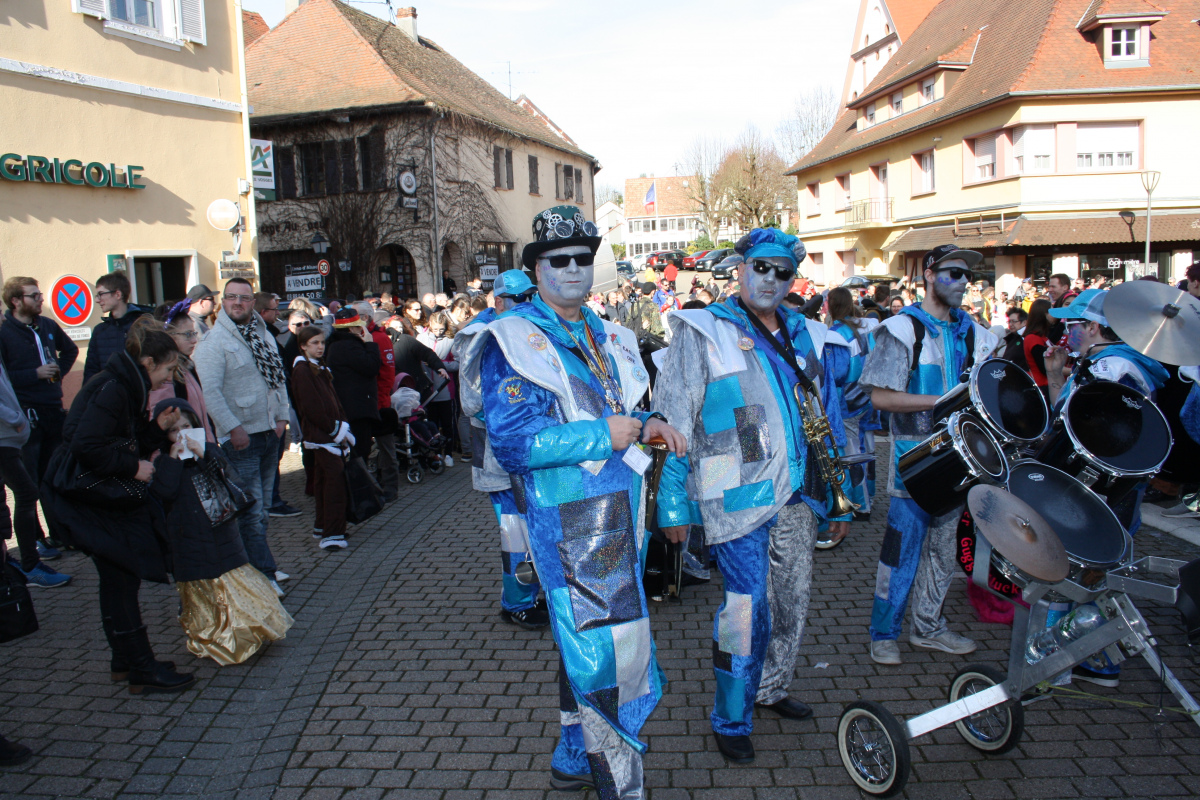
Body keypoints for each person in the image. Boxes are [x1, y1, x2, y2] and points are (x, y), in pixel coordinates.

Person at [466, 206, 685, 796]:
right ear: (536, 270)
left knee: (586, 646)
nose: (571, 269)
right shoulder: (512, 340)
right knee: (608, 658)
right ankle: (621, 786)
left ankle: (572, 756)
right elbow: (515, 445)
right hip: (572, 527)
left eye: (582, 259)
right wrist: (600, 435)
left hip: (623, 517)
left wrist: (647, 422)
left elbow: (620, 407)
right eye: (557, 260)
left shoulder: (607, 332)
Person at [654, 227, 836, 763]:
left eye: (783, 271)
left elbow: (824, 414)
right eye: (761, 267)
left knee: (792, 602)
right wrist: (672, 503)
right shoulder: (702, 329)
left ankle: (771, 687)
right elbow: (672, 419)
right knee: (744, 608)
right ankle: (731, 715)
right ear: (739, 269)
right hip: (732, 492)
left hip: (798, 492)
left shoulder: (804, 333)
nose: (771, 279)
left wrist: (839, 490)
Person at [860, 244, 998, 666]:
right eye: (953, 272)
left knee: (943, 553)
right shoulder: (902, 329)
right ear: (929, 275)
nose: (962, 281)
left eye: (966, 275)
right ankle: (884, 633)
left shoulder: (977, 335)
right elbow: (880, 398)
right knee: (900, 552)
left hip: (961, 464)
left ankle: (928, 627)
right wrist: (942, 401)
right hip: (914, 464)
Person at [50, 322, 196, 693]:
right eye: (167, 369)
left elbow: (120, 440)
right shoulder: (115, 387)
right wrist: (133, 468)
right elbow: (87, 445)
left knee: (118, 579)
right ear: (148, 362)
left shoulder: (123, 383)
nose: (168, 378)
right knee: (121, 579)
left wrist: (155, 430)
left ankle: (126, 661)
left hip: (97, 497)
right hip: (92, 499)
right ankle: (141, 669)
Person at [152, 398, 294, 662]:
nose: (181, 434)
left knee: (234, 580)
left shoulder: (210, 451)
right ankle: (213, 637)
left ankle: (249, 629)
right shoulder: (163, 462)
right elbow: (164, 492)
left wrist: (203, 454)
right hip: (188, 537)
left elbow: (228, 478)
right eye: (174, 430)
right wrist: (173, 460)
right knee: (204, 589)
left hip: (222, 531)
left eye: (186, 426)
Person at [454, 268, 548, 629]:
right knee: (515, 533)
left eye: (530, 297)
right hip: (498, 457)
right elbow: (471, 402)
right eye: (518, 299)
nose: (526, 304)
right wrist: (514, 416)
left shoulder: (526, 328)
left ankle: (531, 592)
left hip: (530, 455)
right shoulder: (479, 336)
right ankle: (517, 602)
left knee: (534, 526)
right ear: (498, 302)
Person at [192, 279, 290, 596]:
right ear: (223, 302)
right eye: (231, 297)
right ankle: (263, 574)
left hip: (268, 433)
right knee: (251, 512)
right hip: (240, 439)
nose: (237, 302)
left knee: (262, 510)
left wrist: (282, 417)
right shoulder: (213, 342)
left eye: (244, 298)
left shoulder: (263, 335)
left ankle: (260, 565)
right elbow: (210, 393)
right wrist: (232, 427)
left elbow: (278, 380)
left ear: (252, 302)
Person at [0, 275, 78, 566]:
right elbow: (4, 377)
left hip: (52, 409)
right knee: (29, 482)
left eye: (39, 294)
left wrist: (58, 370)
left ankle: (60, 533)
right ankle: (36, 539)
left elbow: (70, 350)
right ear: (16, 301)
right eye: (34, 296)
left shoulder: (46, 325)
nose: (40, 299)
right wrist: (34, 374)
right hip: (26, 414)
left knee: (54, 476)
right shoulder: (5, 331)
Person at [0, 338, 68, 588]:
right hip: (3, 436)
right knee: (27, 493)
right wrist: (16, 418)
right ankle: (29, 565)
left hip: (9, 436)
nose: (2, 318)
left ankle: (13, 564)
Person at [821, 286, 880, 547]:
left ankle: (860, 504)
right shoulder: (866, 326)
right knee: (866, 448)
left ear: (832, 305)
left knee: (850, 453)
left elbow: (835, 374)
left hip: (847, 401)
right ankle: (867, 499)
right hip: (867, 397)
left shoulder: (836, 334)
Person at [291, 325, 356, 550]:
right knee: (334, 484)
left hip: (327, 433)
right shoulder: (302, 370)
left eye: (322, 342)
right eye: (315, 343)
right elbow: (312, 407)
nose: (320, 347)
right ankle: (332, 533)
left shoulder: (318, 366)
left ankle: (323, 526)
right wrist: (335, 430)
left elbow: (332, 400)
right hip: (322, 435)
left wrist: (342, 425)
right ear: (303, 346)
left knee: (322, 482)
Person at [353, 302, 399, 501]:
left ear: (365, 318)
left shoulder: (379, 338)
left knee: (386, 447)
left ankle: (390, 487)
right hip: (363, 403)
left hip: (379, 402)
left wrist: (380, 400)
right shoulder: (356, 338)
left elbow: (387, 374)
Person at [324, 308, 380, 464]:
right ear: (351, 329)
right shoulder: (349, 346)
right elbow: (372, 367)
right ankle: (357, 478)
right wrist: (370, 344)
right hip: (357, 408)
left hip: (348, 406)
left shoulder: (335, 345)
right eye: (358, 326)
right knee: (360, 450)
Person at [83, 271, 149, 384]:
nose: (97, 300)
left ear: (118, 294)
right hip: (109, 393)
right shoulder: (99, 331)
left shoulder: (143, 326)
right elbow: (91, 371)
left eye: (101, 294)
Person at [1022, 299, 1052, 399]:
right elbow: (1043, 367)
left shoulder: (1042, 336)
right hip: (1042, 386)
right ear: (1044, 315)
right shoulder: (1033, 338)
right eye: (1051, 311)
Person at [1046, 272, 1078, 342]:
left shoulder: (1068, 300)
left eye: (1053, 287)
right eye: (1049, 287)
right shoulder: (1059, 300)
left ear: (1065, 287)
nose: (1050, 290)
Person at [1000, 306, 1029, 370]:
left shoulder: (1026, 338)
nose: (1010, 324)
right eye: (1009, 321)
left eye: (1014, 321)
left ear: (1024, 322)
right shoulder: (1012, 338)